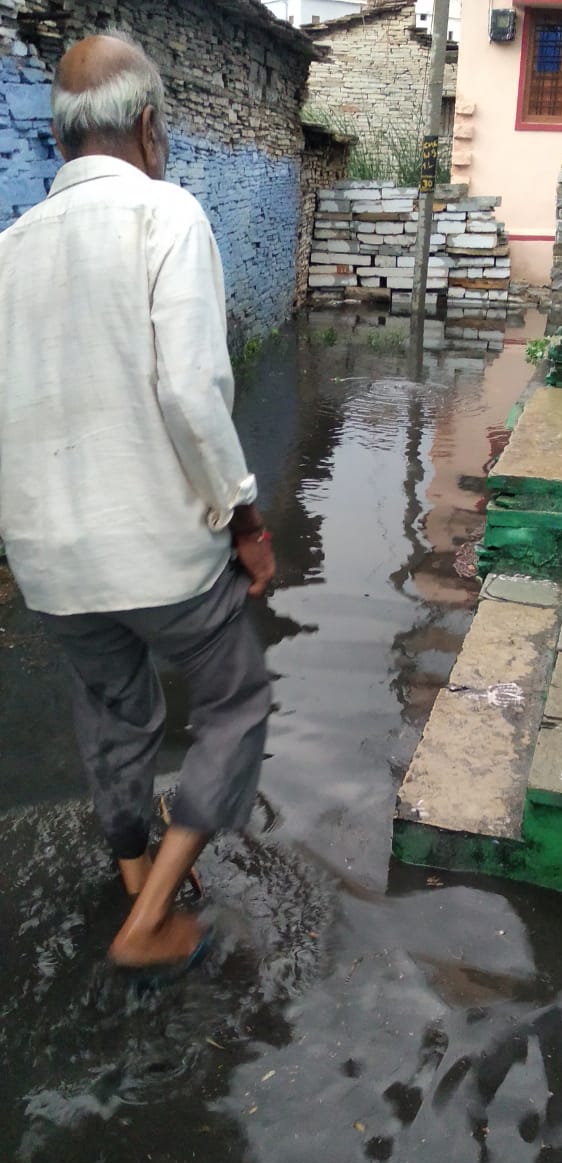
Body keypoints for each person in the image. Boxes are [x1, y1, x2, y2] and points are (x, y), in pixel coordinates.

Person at [0, 30, 276, 971]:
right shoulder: (166, 215)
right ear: (151, 127)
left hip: (51, 559)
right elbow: (192, 394)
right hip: (158, 551)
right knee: (235, 699)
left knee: (112, 715)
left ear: (62, 137)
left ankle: (133, 873)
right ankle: (151, 914)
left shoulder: (10, 249)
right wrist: (246, 520)